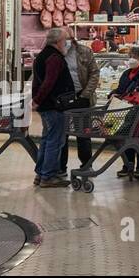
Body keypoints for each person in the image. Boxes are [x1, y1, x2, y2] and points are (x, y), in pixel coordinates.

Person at [31, 28, 75, 188]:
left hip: (46, 105)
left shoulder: (42, 55)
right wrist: (37, 100)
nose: (66, 43)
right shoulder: (54, 58)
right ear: (58, 42)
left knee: (47, 139)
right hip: (53, 106)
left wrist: (37, 100)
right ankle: (48, 176)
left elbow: (38, 81)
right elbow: (48, 82)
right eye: (65, 40)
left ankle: (41, 173)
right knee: (55, 141)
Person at [59, 28, 99, 176]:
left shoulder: (84, 52)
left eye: (67, 38)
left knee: (83, 134)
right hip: (63, 99)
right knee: (62, 135)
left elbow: (94, 73)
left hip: (82, 98)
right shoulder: (57, 53)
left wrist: (85, 94)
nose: (65, 42)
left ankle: (86, 165)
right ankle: (60, 167)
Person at [111, 44, 139, 178]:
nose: (131, 59)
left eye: (135, 57)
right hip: (125, 109)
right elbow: (121, 89)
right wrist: (113, 94)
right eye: (130, 56)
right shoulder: (126, 73)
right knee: (126, 137)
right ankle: (128, 165)